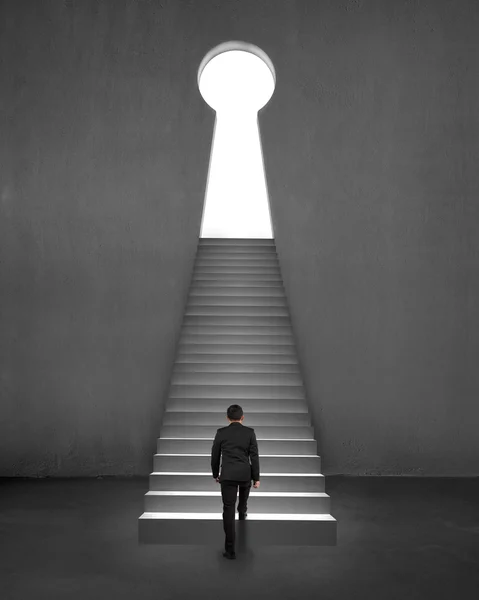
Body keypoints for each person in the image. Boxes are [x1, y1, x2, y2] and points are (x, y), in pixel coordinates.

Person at [211, 404, 260, 559]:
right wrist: (256, 478)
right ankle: (242, 510)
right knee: (243, 500)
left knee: (228, 510)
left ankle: (230, 550)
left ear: (227, 418)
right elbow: (254, 457)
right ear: (242, 417)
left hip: (228, 475)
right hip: (245, 474)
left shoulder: (221, 433)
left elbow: (215, 456)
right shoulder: (250, 433)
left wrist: (215, 474)